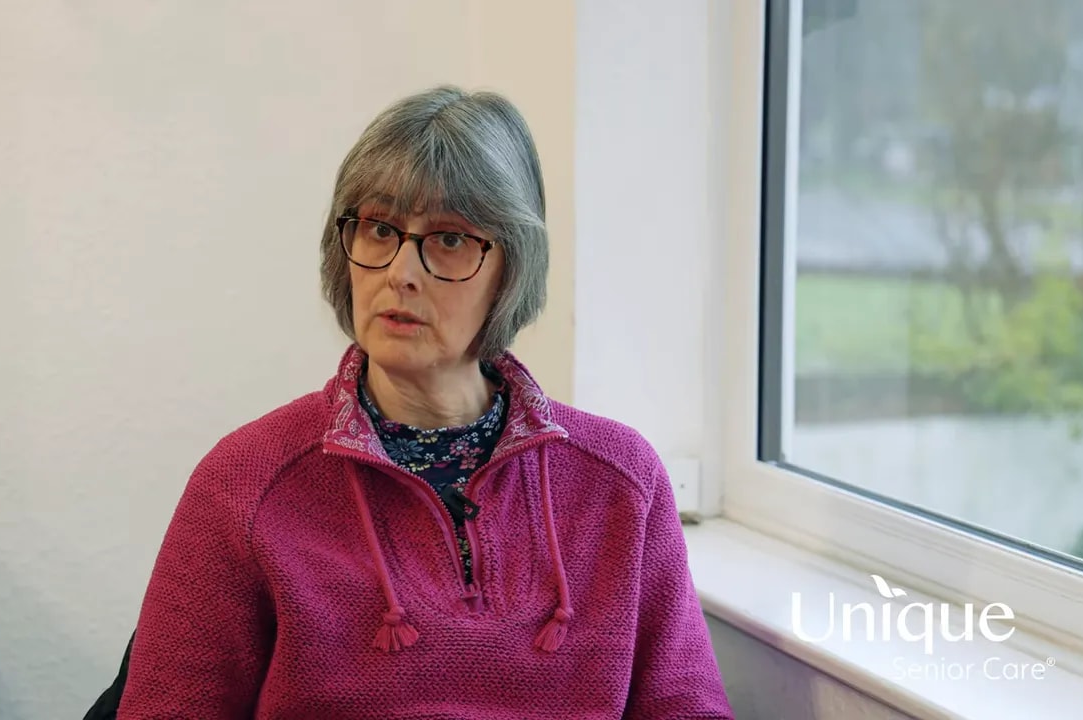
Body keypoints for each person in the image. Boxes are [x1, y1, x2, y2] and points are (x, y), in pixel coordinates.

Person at [115, 85, 734, 719]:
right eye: (380, 229)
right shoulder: (245, 482)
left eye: (449, 239)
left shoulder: (621, 482)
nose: (400, 273)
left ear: (511, 270)